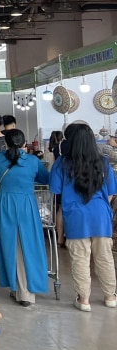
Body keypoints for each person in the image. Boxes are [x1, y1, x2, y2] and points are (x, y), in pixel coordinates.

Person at [49, 123, 117, 312]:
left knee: (80, 258)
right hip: (101, 214)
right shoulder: (103, 162)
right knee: (104, 257)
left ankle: (84, 299)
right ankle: (110, 297)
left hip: (76, 216)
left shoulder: (62, 163)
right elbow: (111, 193)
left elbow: (55, 191)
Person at [0, 129, 50, 307]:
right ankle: (26, 291)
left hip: (5, 203)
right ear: (24, 143)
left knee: (9, 244)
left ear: (6, 143)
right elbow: (45, 178)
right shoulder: (33, 161)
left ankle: (15, 285)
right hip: (27, 203)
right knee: (29, 244)